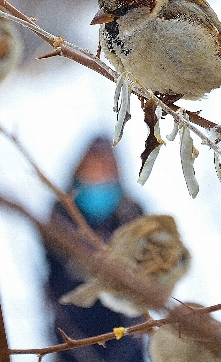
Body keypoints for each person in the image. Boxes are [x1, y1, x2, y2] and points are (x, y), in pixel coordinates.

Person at [43, 137, 145, 362]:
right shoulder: (60, 213)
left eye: (104, 170)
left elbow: (146, 275)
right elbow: (50, 272)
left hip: (124, 333)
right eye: (91, 168)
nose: (97, 175)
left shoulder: (132, 213)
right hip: (71, 332)